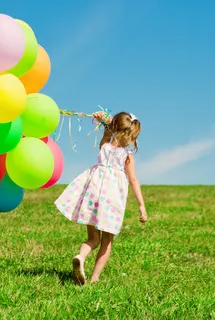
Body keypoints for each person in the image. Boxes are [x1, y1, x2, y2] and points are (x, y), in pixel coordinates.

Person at [54, 111, 147, 285]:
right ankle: (95, 279)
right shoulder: (127, 157)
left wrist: (104, 119)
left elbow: (108, 128)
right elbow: (133, 181)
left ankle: (80, 256)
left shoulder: (105, 145)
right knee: (106, 241)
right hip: (111, 201)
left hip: (93, 194)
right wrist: (141, 205)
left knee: (93, 238)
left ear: (113, 128)